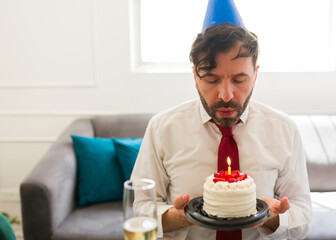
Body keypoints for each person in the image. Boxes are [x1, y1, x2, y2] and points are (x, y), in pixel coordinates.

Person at [131, 23, 311, 240]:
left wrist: (271, 217)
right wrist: (178, 216)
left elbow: (303, 219)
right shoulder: (162, 128)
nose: (226, 95)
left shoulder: (284, 130)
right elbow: (140, 207)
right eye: (212, 80)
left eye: (239, 80)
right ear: (195, 78)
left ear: (255, 75)